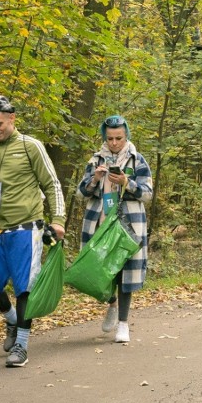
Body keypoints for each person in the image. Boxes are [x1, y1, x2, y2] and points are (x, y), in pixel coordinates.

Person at [0, 95, 66, 368]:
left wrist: (58, 220)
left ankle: (21, 345)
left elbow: (51, 184)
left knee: (24, 287)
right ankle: (12, 320)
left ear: (12, 118)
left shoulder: (31, 146)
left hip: (27, 227)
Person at [77, 115, 153, 343]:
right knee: (100, 269)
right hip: (100, 222)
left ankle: (123, 323)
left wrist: (126, 183)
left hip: (128, 224)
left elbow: (148, 194)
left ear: (126, 135)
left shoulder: (137, 160)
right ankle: (111, 304)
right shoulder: (95, 159)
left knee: (125, 271)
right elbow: (80, 193)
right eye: (109, 138)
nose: (114, 143)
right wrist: (95, 179)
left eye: (118, 138)